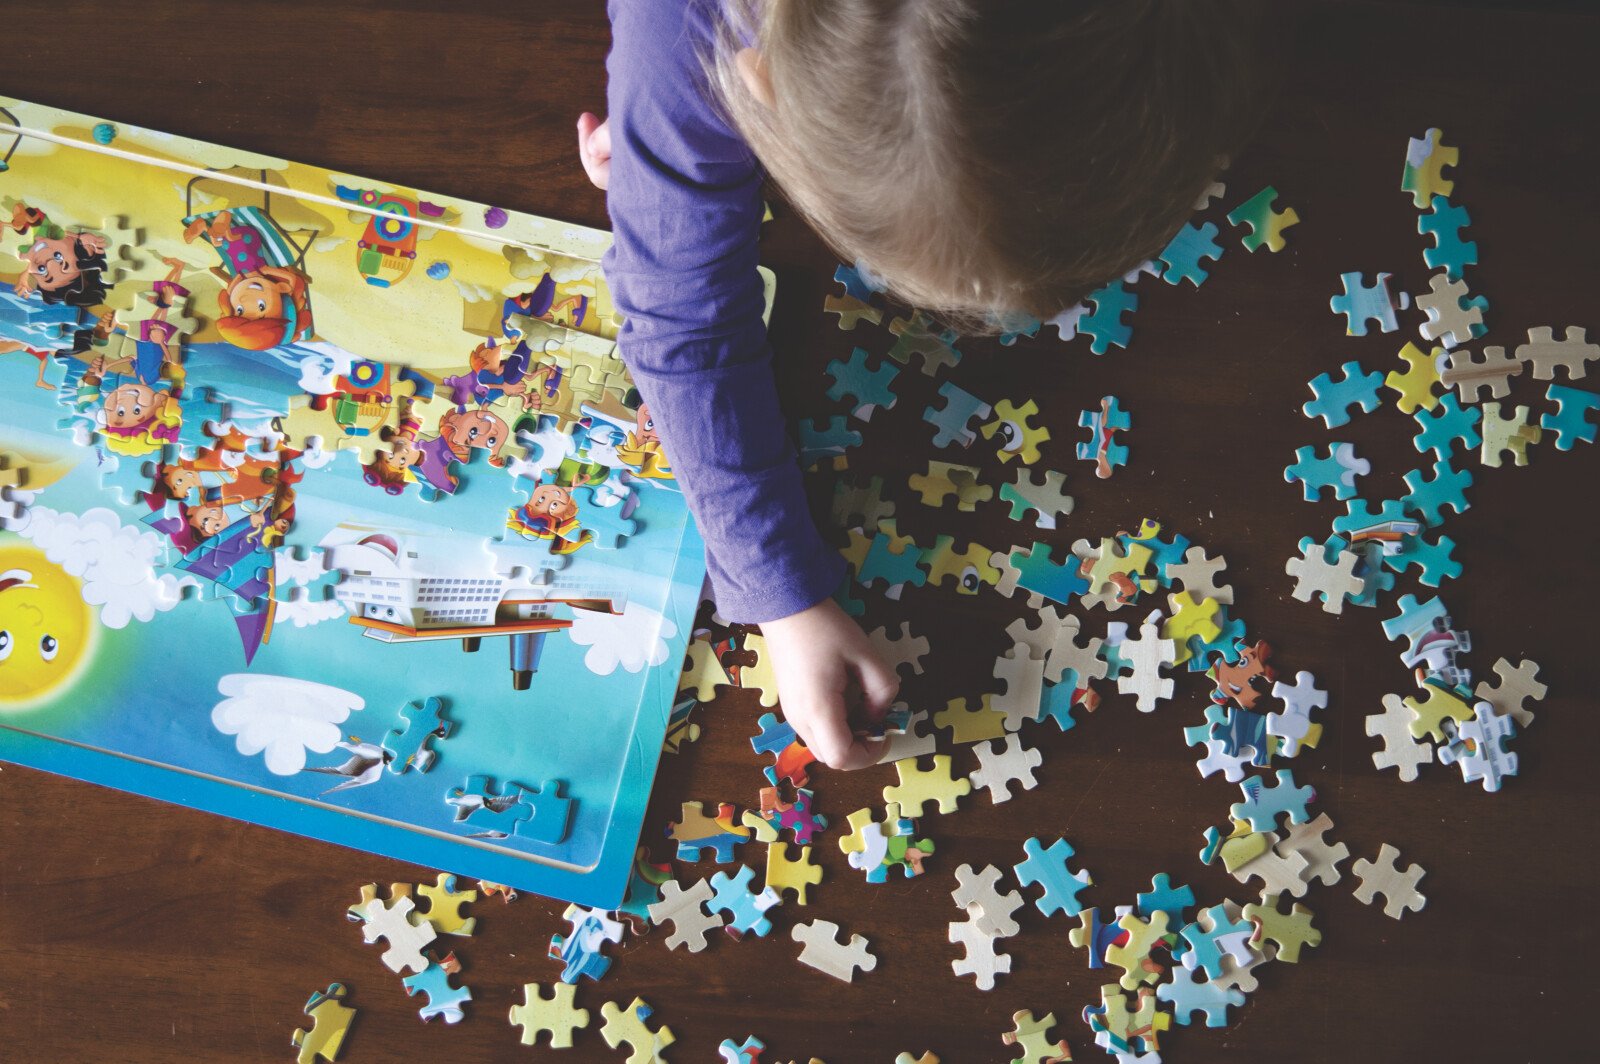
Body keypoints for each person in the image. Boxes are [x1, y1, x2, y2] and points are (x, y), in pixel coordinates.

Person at [584, 0, 1268, 770]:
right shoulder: (685, 36)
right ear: (760, 92)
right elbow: (685, 327)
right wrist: (782, 595)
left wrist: (669, 151)